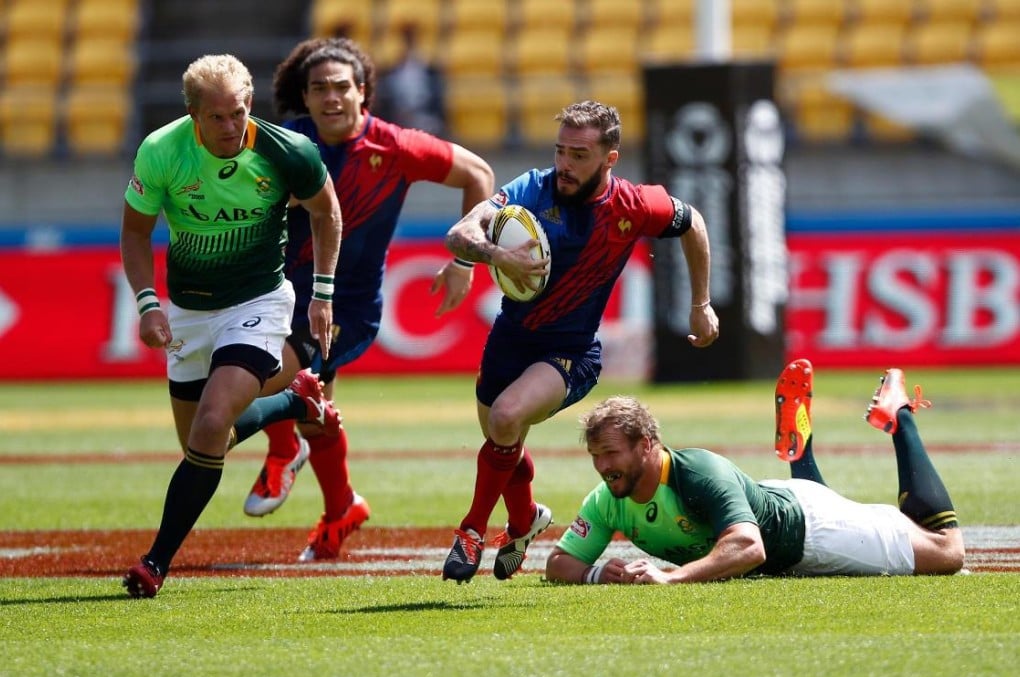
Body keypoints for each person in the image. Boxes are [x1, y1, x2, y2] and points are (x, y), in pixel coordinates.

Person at [239, 37, 495, 562]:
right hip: (279, 296)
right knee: (314, 410)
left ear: (362, 92)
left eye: (341, 87)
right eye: (319, 89)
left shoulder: (394, 146)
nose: (330, 97)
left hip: (346, 308)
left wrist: (464, 262)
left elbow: (479, 176)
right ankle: (342, 510)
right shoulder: (285, 144)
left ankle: (284, 451)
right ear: (304, 98)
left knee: (257, 378)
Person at [441, 100, 720, 583]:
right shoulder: (532, 188)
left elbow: (692, 221)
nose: (564, 165)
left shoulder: (633, 205)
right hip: (509, 339)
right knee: (503, 438)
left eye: (579, 155)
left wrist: (702, 303)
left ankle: (472, 530)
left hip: (570, 352)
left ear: (610, 158)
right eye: (560, 151)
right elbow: (459, 233)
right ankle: (525, 519)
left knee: (506, 418)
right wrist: (494, 255)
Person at [119, 54, 343, 598]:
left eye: (238, 113)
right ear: (192, 114)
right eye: (215, 117)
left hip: (258, 301)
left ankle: (155, 562)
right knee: (200, 442)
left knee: (213, 421)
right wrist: (148, 304)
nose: (229, 127)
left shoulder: (289, 151)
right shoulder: (161, 151)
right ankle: (294, 402)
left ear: (251, 105)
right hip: (189, 313)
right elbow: (135, 233)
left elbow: (327, 212)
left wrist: (322, 294)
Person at [545, 359, 965, 585]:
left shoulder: (698, 472)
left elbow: (749, 548)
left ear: (646, 446)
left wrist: (672, 578)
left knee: (947, 551)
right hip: (776, 501)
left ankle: (899, 414)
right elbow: (559, 562)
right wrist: (596, 574)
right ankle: (802, 455)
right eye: (595, 456)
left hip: (812, 531)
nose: (603, 467)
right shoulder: (608, 498)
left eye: (611, 454)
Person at [375, 23, 446, 136]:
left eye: (411, 40)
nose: (408, 45)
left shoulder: (429, 71)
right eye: (406, 40)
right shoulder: (391, 72)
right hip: (398, 118)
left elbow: (436, 101)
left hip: (424, 118)